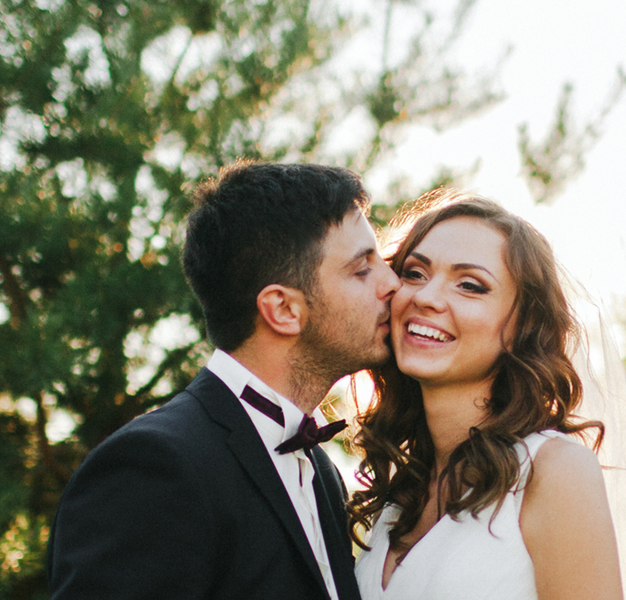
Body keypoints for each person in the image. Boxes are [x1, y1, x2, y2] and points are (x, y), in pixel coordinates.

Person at [47, 162, 394, 600]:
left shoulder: (321, 472)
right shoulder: (155, 469)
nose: (392, 283)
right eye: (362, 269)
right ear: (283, 310)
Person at [348, 191, 626, 600]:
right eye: (414, 273)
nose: (425, 297)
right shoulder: (400, 495)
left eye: (470, 286)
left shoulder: (552, 471)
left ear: (523, 327)